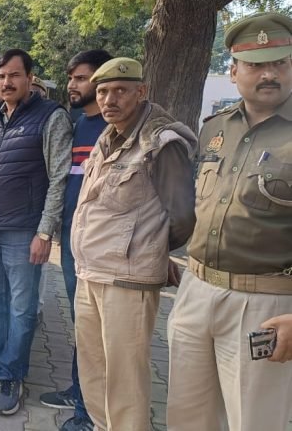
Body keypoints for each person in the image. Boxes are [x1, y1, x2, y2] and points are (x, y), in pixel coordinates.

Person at [167, 12, 292, 431]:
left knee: (255, 421)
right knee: (187, 416)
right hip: (196, 289)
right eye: (256, 64)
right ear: (234, 71)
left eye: (280, 63)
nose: (269, 74)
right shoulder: (215, 129)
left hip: (265, 304)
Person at [71, 57, 196, 430]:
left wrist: (153, 248)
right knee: (94, 371)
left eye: (120, 91)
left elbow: (183, 216)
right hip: (91, 271)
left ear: (141, 91)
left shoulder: (161, 142)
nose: (109, 100)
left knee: (124, 382)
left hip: (127, 280)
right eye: (103, 91)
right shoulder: (109, 135)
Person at [0, 49, 73, 416]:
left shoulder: (51, 117)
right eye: (1, 76)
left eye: (14, 75)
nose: (6, 82)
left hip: (23, 231)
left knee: (21, 308)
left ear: (29, 78)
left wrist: (45, 232)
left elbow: (58, 178)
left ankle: (12, 375)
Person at [39, 49, 113, 431]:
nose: (72, 85)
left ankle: (89, 413)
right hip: (70, 238)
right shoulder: (75, 124)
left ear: (101, 80)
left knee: (97, 329)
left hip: (102, 245)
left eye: (81, 78)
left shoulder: (114, 128)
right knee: (80, 322)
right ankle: (78, 390)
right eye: (71, 78)